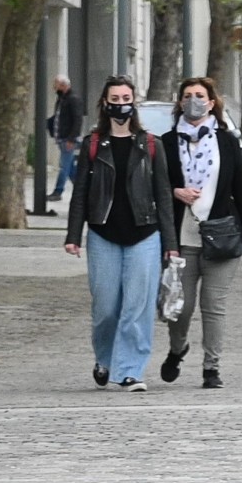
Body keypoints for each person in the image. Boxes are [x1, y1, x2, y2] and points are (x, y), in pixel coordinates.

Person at [63, 76, 178, 394]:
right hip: (103, 233)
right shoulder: (94, 143)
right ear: (105, 103)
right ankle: (105, 359)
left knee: (137, 306)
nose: (120, 103)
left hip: (145, 234)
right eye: (114, 98)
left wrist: (171, 244)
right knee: (106, 307)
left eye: (126, 97)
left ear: (134, 101)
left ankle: (130, 370)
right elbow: (81, 193)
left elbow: (164, 195)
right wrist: (73, 234)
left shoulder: (151, 144)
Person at [159, 76, 242, 390]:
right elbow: (153, 187)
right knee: (181, 307)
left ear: (211, 102)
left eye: (200, 95)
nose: (194, 100)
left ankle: (211, 367)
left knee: (213, 304)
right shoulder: (165, 143)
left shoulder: (227, 141)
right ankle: (178, 349)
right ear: (180, 102)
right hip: (182, 238)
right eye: (188, 95)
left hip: (221, 234)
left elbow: (241, 190)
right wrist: (174, 191)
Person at [47, 76, 84, 201]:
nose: (54, 87)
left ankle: (58, 191)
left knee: (64, 166)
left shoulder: (73, 99)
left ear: (63, 85)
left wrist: (71, 139)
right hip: (62, 137)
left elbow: (77, 120)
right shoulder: (61, 99)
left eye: (56, 84)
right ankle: (83, 189)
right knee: (70, 168)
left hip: (68, 139)